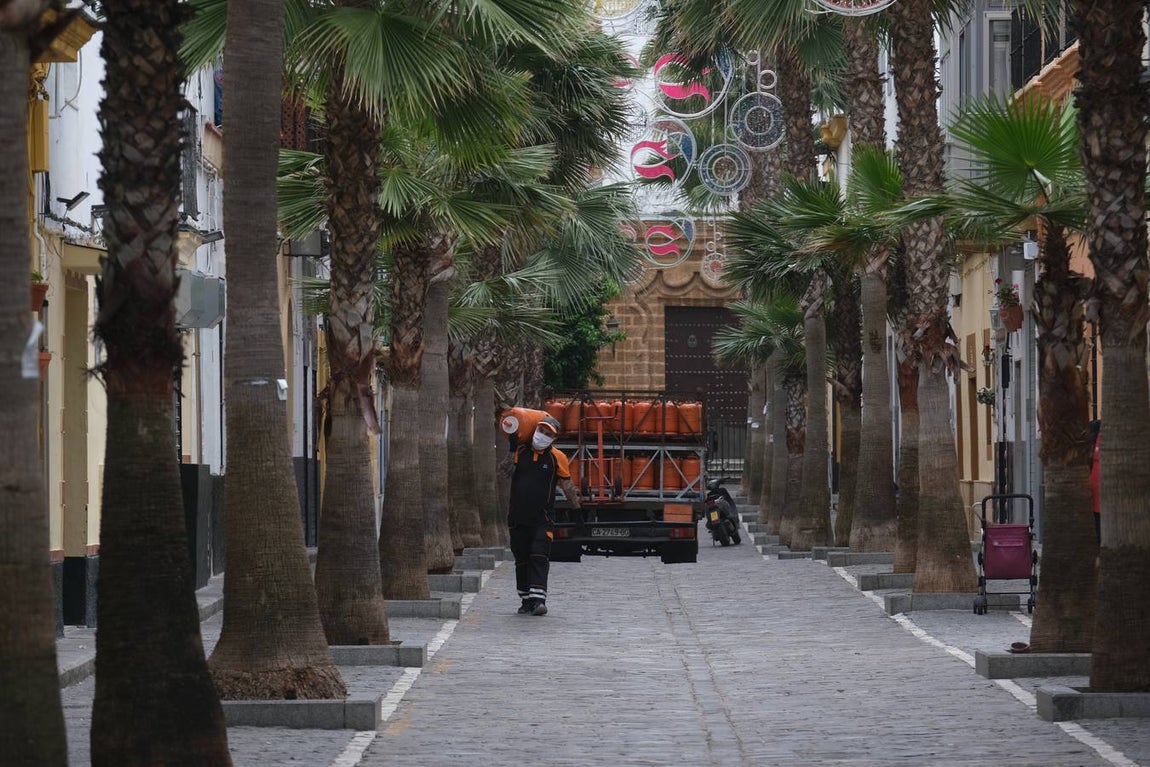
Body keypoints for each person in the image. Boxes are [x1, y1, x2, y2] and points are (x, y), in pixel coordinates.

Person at [506, 416, 580, 616]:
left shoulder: (557, 457)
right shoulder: (520, 451)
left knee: (539, 555)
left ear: (554, 438)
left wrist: (577, 508)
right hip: (517, 518)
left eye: (548, 434)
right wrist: (512, 449)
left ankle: (539, 599)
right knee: (521, 559)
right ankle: (525, 599)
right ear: (535, 429)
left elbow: (567, 485)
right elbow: (504, 472)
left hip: (543, 519)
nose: (543, 436)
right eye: (541, 430)